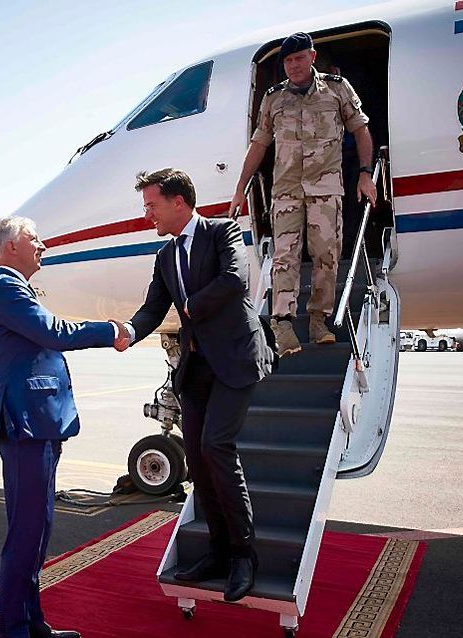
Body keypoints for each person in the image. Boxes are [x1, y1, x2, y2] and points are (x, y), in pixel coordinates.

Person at [114, 169, 274, 602]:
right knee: (199, 464)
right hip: (197, 368)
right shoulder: (165, 258)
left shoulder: (222, 232)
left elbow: (236, 280)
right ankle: (218, 550)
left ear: (178, 202)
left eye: (152, 205)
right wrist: (128, 330)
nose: (147, 214)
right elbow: (152, 309)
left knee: (217, 448)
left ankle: (245, 554)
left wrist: (190, 305)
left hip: (235, 359)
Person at [0, 216, 129, 638]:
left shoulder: (15, 288)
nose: (42, 245)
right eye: (34, 238)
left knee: (38, 530)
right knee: (25, 534)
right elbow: (53, 332)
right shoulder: (5, 287)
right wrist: (110, 330)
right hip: (26, 423)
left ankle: (32, 625)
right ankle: (14, 631)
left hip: (39, 423)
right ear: (11, 247)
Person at [228, 31, 377, 355]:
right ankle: (282, 323)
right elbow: (259, 144)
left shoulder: (337, 89)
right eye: (288, 61)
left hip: (326, 188)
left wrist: (365, 175)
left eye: (299, 58)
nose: (293, 66)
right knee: (285, 258)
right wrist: (240, 189)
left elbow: (361, 132)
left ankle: (318, 320)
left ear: (311, 57)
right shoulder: (273, 98)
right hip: (286, 192)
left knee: (327, 255)